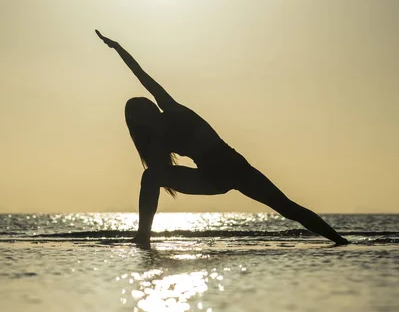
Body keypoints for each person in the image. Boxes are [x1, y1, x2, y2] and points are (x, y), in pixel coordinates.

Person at [95, 30, 349, 248]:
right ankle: (143, 236)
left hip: (234, 166)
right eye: (139, 119)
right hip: (209, 178)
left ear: (151, 108)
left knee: (286, 207)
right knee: (150, 176)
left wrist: (118, 48)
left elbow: (142, 76)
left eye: (144, 111)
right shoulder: (157, 142)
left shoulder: (171, 108)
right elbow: (158, 174)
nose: (145, 118)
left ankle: (340, 241)